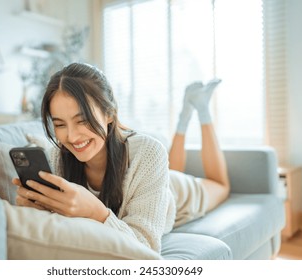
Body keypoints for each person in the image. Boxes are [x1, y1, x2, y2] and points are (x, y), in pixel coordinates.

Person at [12, 62, 230, 253]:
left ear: (109, 113)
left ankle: (197, 110)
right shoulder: (58, 158)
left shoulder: (148, 152)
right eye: (59, 124)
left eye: (82, 120)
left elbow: (146, 247)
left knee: (221, 186)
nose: (71, 136)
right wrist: (39, 210)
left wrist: (97, 212)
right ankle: (186, 113)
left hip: (176, 193)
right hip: (152, 181)